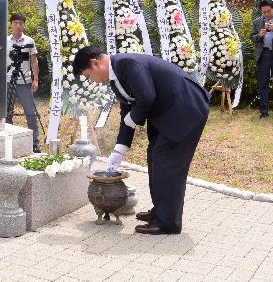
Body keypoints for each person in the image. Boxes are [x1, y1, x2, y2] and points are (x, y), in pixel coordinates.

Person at [74, 46, 209, 235]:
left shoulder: (127, 64)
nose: (92, 81)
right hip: (169, 112)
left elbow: (146, 96)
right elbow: (127, 114)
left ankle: (167, 222)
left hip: (185, 108)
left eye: (89, 76)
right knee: (155, 157)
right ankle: (161, 212)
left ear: (96, 63)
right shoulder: (115, 78)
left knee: (166, 163)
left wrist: (132, 118)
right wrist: (119, 151)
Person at [5, 14, 40, 152]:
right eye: (15, 23)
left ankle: (34, 144)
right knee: (7, 113)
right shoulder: (6, 40)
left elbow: (34, 61)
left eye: (20, 23)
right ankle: (8, 143)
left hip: (25, 81)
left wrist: (36, 79)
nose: (18, 25)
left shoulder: (29, 41)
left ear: (24, 24)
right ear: (11, 24)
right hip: (8, 80)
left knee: (30, 113)